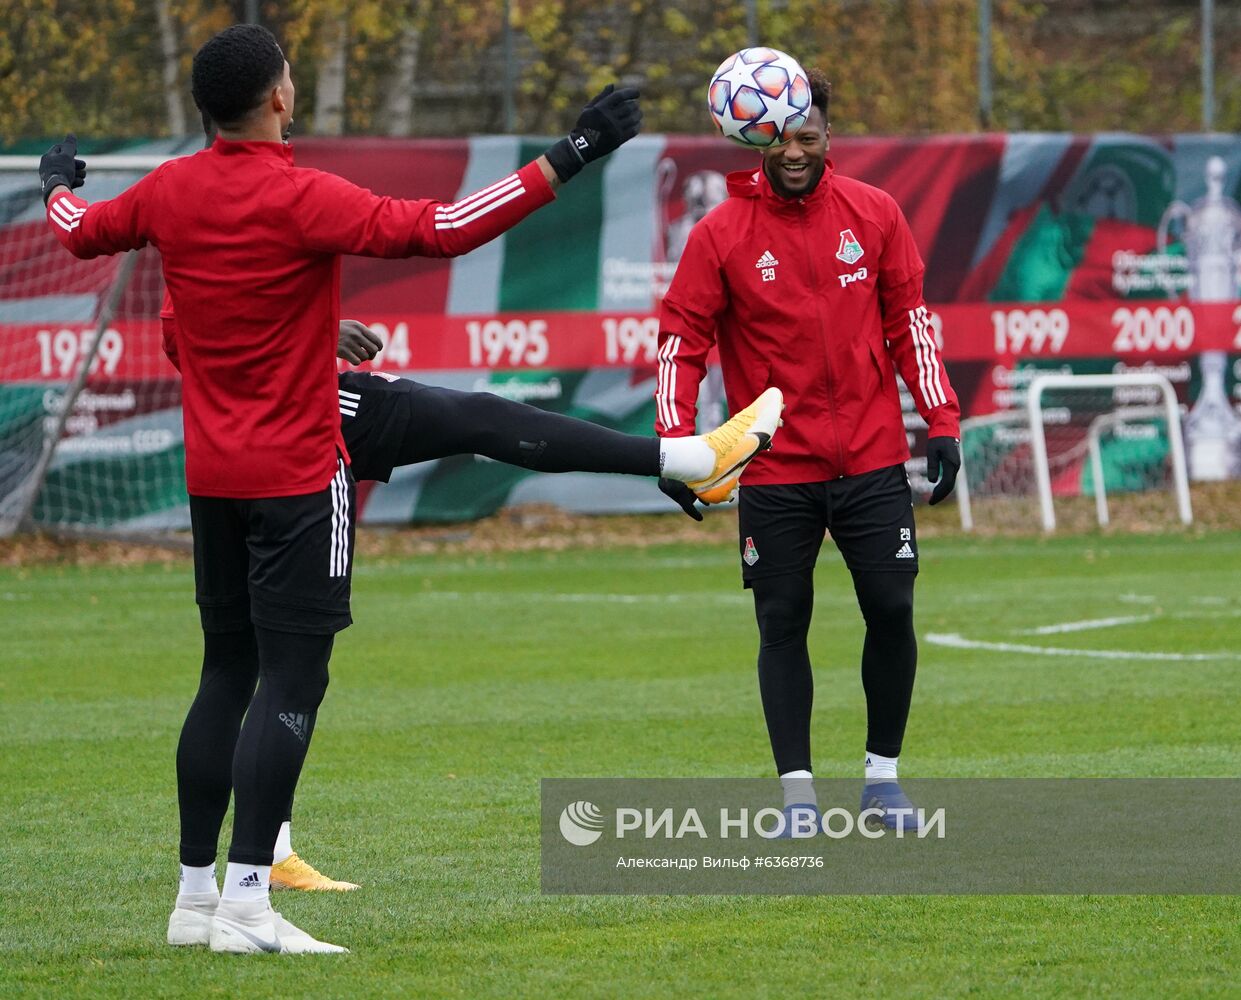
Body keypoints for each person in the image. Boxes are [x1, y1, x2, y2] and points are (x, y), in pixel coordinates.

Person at [41, 22, 776, 953]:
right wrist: (573, 152)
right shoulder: (300, 194)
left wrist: (55, 181)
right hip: (300, 467)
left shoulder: (168, 191)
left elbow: (78, 232)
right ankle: (249, 903)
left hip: (215, 475)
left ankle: (195, 901)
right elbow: (446, 230)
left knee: (226, 671)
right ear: (280, 97)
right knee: (295, 675)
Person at [157, 310, 784, 890]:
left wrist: (311, 332)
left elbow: (178, 328)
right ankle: (691, 458)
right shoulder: (257, 226)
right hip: (297, 418)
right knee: (482, 420)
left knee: (237, 668)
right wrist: (311, 333)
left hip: (220, 439)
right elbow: (432, 235)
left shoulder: (186, 236)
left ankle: (211, 887)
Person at [654, 68, 961, 834]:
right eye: (779, 138)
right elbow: (680, 342)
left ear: (828, 137)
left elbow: (910, 325)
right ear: (754, 138)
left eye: (808, 136)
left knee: (891, 607)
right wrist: (674, 442)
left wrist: (941, 421)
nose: (793, 151)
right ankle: (797, 797)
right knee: (781, 619)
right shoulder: (720, 233)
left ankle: (882, 783)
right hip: (774, 467)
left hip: (871, 458)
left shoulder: (875, 212)